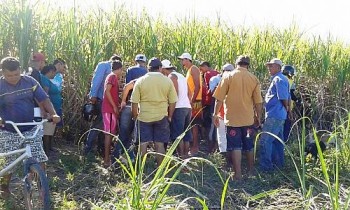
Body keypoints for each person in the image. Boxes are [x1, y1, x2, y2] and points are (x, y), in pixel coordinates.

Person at [0, 57, 60, 198]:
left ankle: (42, 188)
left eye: (16, 74)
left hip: (31, 127)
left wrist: (53, 114)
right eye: (9, 75)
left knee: (39, 156)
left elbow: (44, 99)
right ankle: (4, 186)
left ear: (20, 70)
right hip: (9, 129)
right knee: (9, 163)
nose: (13, 78)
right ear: (3, 73)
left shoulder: (30, 82)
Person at [213, 56, 263, 180]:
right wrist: (258, 117)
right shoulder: (253, 79)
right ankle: (251, 171)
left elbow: (219, 99)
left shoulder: (227, 77)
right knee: (248, 145)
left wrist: (215, 114)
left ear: (236, 64)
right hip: (248, 120)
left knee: (235, 146)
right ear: (248, 65)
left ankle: (238, 174)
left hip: (232, 120)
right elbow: (258, 103)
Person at [131, 57, 177, 166]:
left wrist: (135, 116)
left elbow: (134, 102)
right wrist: (170, 116)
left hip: (144, 117)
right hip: (161, 116)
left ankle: (140, 170)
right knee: (160, 144)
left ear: (148, 68)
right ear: (160, 68)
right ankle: (159, 170)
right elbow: (173, 101)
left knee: (143, 144)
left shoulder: (140, 81)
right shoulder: (167, 81)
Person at [84, 54, 122, 155]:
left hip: (106, 101)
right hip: (102, 100)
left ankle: (100, 149)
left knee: (104, 127)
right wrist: (93, 95)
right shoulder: (104, 66)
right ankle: (88, 148)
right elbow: (96, 80)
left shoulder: (109, 70)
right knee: (98, 125)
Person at [259, 58, 290, 171]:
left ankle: (266, 167)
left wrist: (286, 107)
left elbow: (283, 97)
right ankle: (279, 165)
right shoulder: (282, 79)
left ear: (278, 67)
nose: (269, 68)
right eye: (269, 66)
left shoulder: (278, 79)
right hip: (279, 114)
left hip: (275, 114)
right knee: (277, 141)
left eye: (271, 66)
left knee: (265, 140)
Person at [161, 59, 192, 159]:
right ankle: (186, 156)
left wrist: (170, 111)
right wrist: (187, 103)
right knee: (186, 134)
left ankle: (181, 158)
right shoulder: (181, 76)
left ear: (165, 69)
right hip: (187, 107)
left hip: (178, 108)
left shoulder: (171, 76)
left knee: (178, 135)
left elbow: (175, 94)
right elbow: (190, 93)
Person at [178, 52, 203, 156]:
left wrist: (192, 101)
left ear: (188, 60)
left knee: (194, 125)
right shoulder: (189, 70)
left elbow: (197, 86)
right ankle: (193, 147)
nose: (182, 62)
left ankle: (195, 147)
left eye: (183, 60)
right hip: (192, 100)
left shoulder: (193, 69)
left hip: (196, 101)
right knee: (191, 124)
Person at [210, 64, 234, 166]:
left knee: (222, 138)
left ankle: (226, 161)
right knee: (230, 138)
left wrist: (215, 114)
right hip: (232, 116)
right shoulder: (236, 83)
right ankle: (230, 161)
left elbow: (217, 100)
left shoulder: (222, 82)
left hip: (223, 115)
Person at [101, 60, 123, 167]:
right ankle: (106, 159)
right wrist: (114, 106)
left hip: (110, 109)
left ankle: (107, 158)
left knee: (109, 134)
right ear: (119, 69)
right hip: (109, 110)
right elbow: (107, 91)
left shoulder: (111, 77)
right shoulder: (112, 76)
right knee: (108, 135)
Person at [41, 64, 61, 155]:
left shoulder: (48, 80)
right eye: (54, 72)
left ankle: (49, 148)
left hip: (54, 108)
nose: (55, 74)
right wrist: (47, 109)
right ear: (50, 71)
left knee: (51, 129)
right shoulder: (45, 80)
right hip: (50, 109)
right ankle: (46, 151)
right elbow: (45, 95)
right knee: (47, 130)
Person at [199, 61, 219, 153]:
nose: (200, 69)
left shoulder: (208, 74)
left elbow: (209, 90)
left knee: (209, 126)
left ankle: (210, 147)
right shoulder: (218, 73)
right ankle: (216, 147)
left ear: (206, 66)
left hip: (210, 103)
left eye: (201, 67)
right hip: (218, 104)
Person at [281, 65, 299, 142]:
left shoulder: (279, 79)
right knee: (286, 126)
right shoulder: (289, 81)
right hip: (287, 108)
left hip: (279, 108)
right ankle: (284, 142)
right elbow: (291, 94)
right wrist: (298, 100)